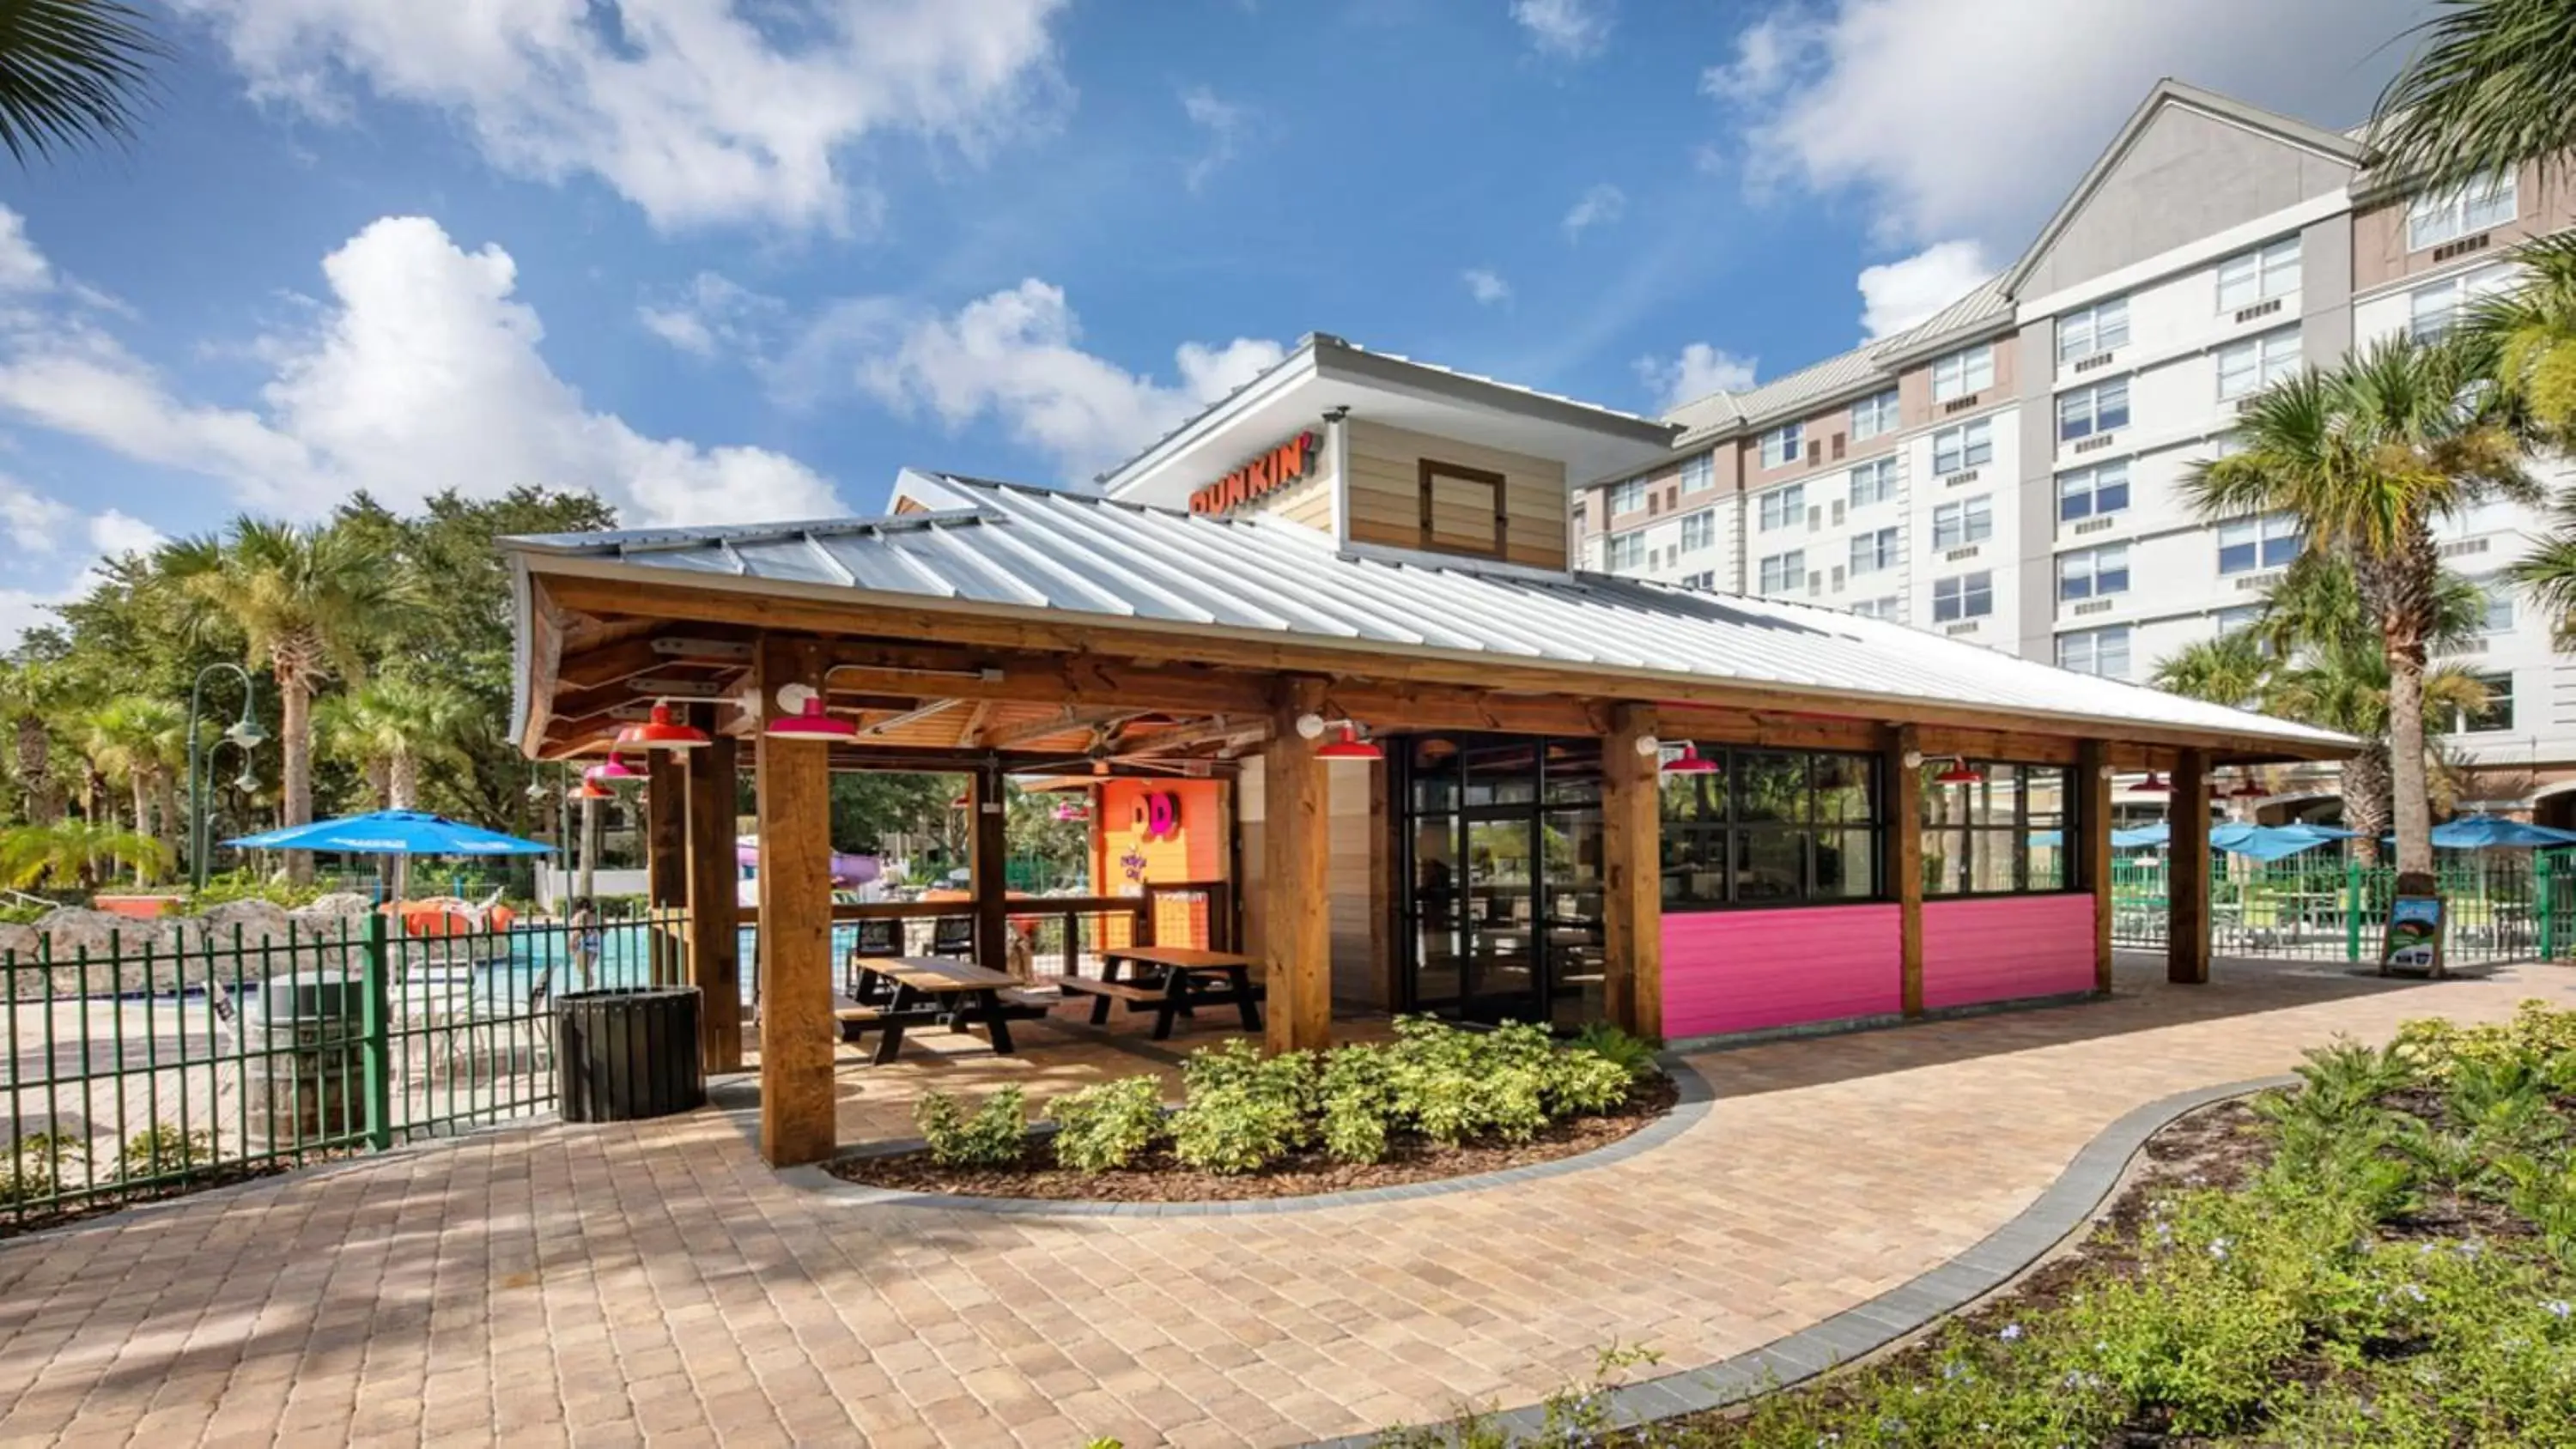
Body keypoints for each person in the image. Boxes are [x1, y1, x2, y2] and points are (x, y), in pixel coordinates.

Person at [569, 895, 601, 991]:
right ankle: (589, 988)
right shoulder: (595, 916)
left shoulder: (579, 916)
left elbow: (577, 931)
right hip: (594, 946)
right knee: (587, 970)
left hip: (582, 945)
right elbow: (605, 929)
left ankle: (588, 990)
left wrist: (571, 943)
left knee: (583, 969)